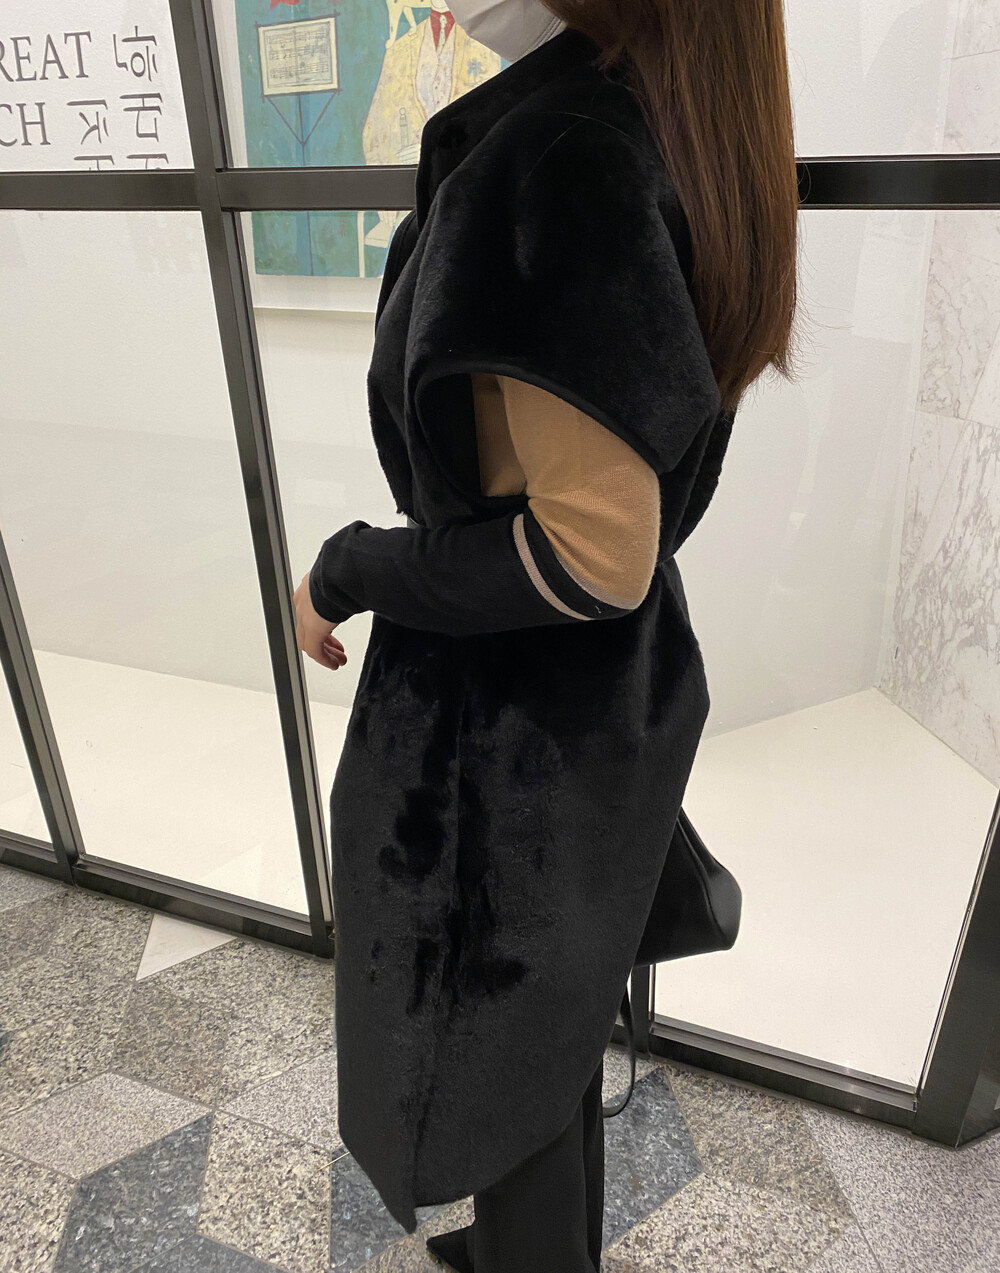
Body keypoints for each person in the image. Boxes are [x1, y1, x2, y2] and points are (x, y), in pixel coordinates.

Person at [292, 1, 800, 1269]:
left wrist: (349, 567)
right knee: (543, 1036)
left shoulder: (562, 155)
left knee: (500, 1045)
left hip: (511, 728)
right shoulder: (655, 124)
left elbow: (586, 552)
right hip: (594, 698)